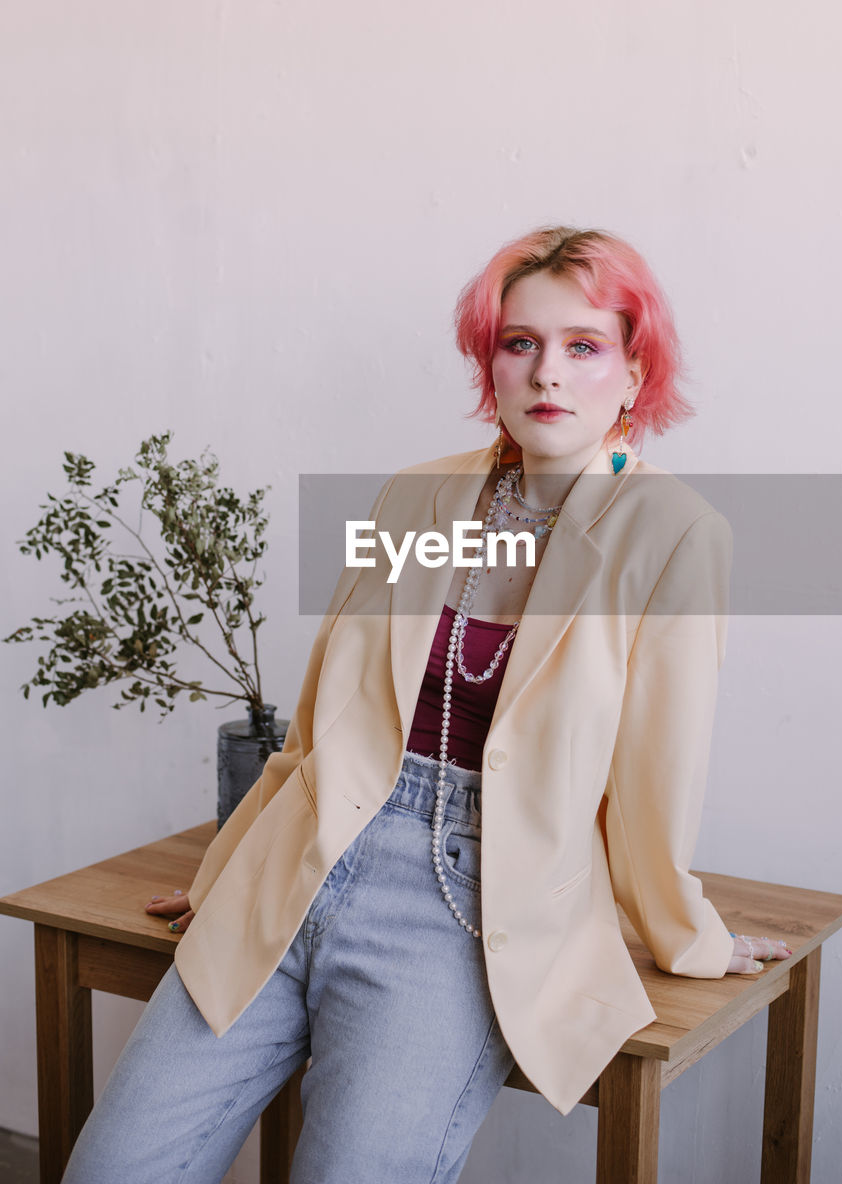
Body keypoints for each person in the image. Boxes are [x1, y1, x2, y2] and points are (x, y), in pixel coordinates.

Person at [62, 225, 791, 1184]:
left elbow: (658, 778)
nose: (547, 374)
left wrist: (686, 934)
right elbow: (319, 725)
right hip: (305, 863)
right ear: (489, 360)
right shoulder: (412, 499)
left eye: (583, 346)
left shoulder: (674, 536)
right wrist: (226, 868)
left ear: (634, 367)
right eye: (518, 343)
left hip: (463, 907)